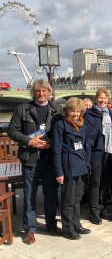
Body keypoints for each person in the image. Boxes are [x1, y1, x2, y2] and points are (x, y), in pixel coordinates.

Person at [7, 79, 62, 245]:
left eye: (44, 90)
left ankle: (51, 224)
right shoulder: (23, 109)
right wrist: (29, 141)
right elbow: (12, 130)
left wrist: (53, 142)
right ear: (34, 92)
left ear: (49, 92)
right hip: (30, 159)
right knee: (29, 195)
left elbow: (63, 130)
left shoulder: (57, 109)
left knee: (51, 195)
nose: (41, 93)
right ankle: (30, 229)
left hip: (50, 160)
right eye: (38, 91)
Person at [52, 97, 91, 240]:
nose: (75, 114)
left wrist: (87, 163)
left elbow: (85, 146)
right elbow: (56, 150)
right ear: (66, 111)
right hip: (67, 165)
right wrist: (58, 171)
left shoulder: (82, 125)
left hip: (80, 164)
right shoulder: (60, 126)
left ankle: (76, 224)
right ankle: (67, 228)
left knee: (78, 197)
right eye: (72, 111)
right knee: (68, 199)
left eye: (77, 111)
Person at [84, 88, 112, 225]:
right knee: (95, 183)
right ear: (95, 98)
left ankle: (103, 208)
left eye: (105, 98)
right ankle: (94, 211)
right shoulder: (89, 114)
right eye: (100, 98)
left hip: (108, 153)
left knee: (105, 183)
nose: (103, 100)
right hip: (96, 153)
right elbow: (87, 137)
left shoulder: (109, 113)